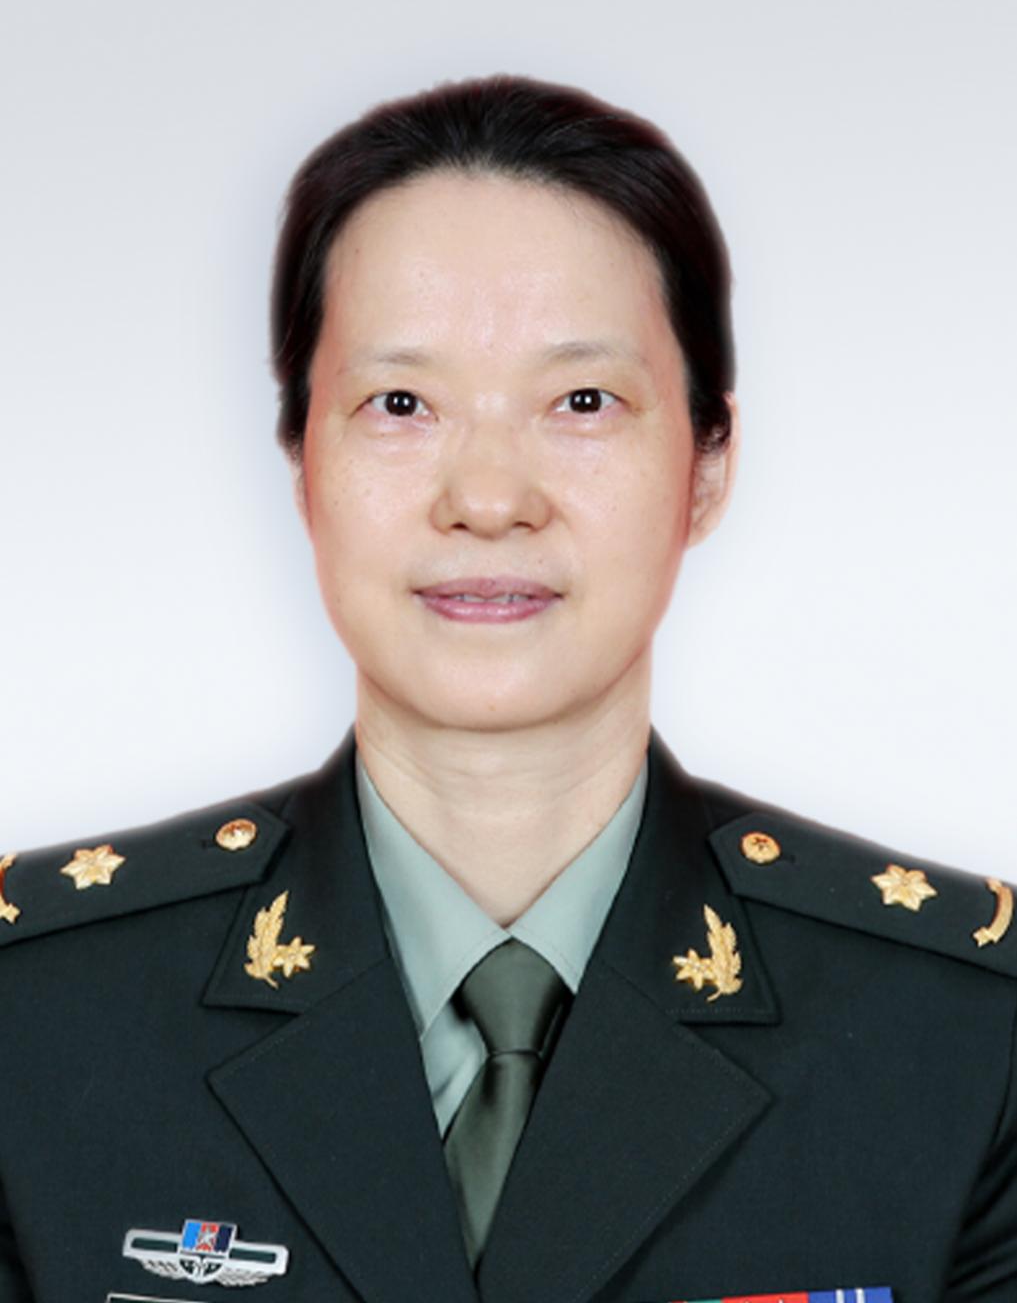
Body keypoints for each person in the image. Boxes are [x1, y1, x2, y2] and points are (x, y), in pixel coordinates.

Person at [0, 74, 1013, 1303]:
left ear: (708, 464)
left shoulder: (963, 1039)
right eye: (401, 403)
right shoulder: (37, 1014)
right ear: (302, 459)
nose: (488, 499)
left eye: (582, 401)